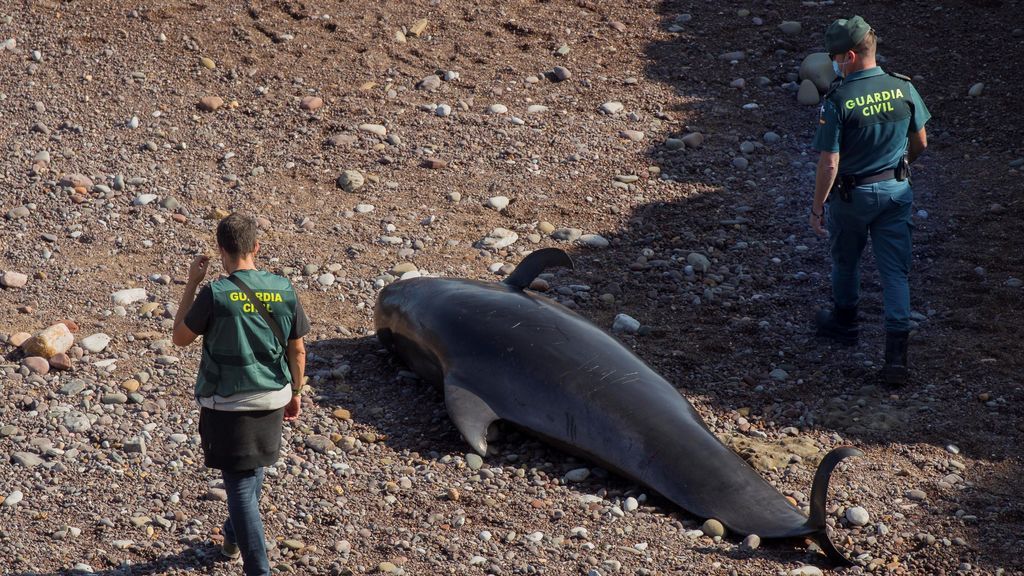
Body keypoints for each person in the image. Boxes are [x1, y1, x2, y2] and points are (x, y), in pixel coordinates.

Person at [172, 212, 310, 575]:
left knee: (239, 483)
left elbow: (180, 338)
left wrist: (191, 283)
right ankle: (233, 537)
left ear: (221, 251)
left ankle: (258, 570)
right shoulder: (284, 289)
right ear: (256, 248)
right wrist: (296, 391)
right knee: (252, 470)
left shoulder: (215, 293)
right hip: (274, 397)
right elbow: (298, 351)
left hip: (227, 404)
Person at [808, 15, 930, 386]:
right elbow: (921, 141)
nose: (832, 62)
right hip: (896, 190)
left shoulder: (838, 99)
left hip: (851, 196)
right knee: (895, 272)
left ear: (848, 55)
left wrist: (817, 208)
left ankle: (845, 324)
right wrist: (900, 165)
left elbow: (830, 162)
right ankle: (896, 358)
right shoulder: (903, 88)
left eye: (833, 56)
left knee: (846, 259)